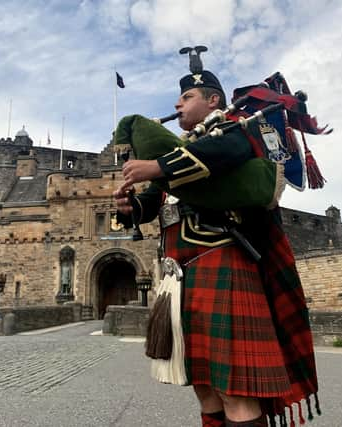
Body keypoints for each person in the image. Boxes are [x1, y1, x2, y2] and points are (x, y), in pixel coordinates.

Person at [113, 68, 319, 427]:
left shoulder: (233, 128)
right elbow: (154, 204)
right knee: (204, 387)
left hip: (222, 260)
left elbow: (225, 153)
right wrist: (131, 209)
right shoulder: (182, 152)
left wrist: (158, 164)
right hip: (180, 275)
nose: (177, 103)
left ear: (213, 100)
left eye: (187, 97)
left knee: (234, 390)